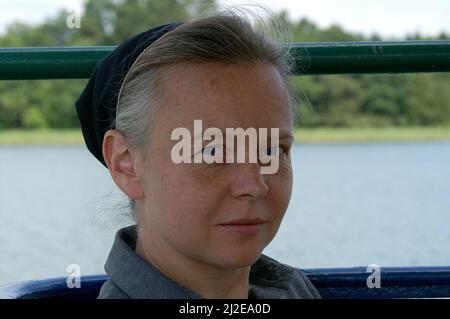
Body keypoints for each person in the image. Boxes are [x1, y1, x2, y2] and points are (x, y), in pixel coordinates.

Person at [75, 9, 320, 299]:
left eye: (271, 150)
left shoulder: (294, 290)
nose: (255, 185)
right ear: (126, 164)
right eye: (212, 151)